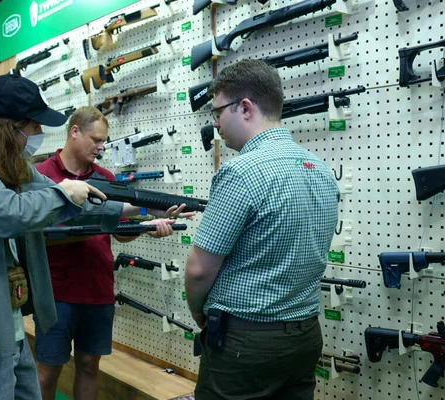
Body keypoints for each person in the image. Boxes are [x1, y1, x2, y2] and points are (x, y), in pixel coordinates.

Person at [0, 74, 123, 400]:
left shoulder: (3, 158)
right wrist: (64, 194)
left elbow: (62, 201)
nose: (38, 136)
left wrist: (134, 209)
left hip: (6, 322)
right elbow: (8, 214)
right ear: (7, 124)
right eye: (33, 128)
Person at [185, 59, 340, 400]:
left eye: (218, 112)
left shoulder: (240, 172)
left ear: (244, 108)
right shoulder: (321, 168)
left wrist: (199, 311)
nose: (215, 123)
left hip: (245, 343)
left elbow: (198, 270)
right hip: (305, 337)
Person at [34, 106, 195, 400]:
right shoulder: (42, 175)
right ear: (74, 132)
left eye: (103, 141)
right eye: (95, 139)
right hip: (56, 292)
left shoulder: (105, 178)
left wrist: (149, 223)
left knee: (88, 367)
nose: (101, 146)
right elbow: (34, 234)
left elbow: (119, 231)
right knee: (46, 371)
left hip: (97, 289)